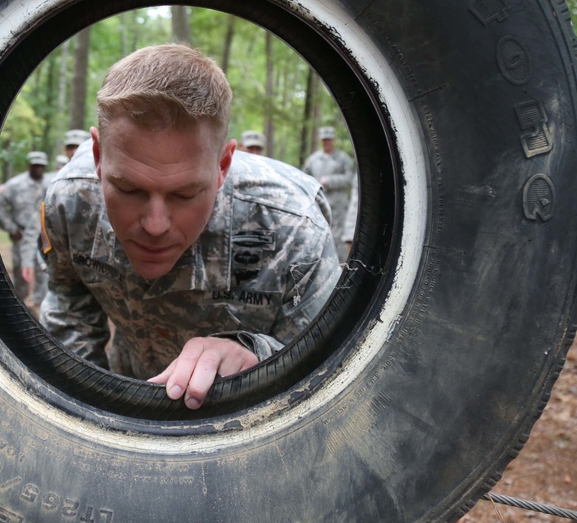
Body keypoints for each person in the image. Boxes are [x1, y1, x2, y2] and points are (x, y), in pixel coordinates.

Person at [40, 44, 340, 410]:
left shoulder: (293, 225)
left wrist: (257, 358)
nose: (154, 225)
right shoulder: (71, 204)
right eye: (129, 189)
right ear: (98, 156)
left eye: (185, 194)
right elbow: (69, 314)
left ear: (223, 165)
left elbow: (331, 369)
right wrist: (95, 412)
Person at [0, 151, 50, 312]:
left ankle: (39, 305)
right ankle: (20, 304)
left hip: (44, 237)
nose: (38, 168)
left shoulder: (49, 183)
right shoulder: (15, 185)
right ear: (29, 166)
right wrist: (11, 227)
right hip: (22, 235)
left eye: (41, 165)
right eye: (35, 165)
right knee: (21, 270)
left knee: (44, 271)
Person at [302, 126, 355, 259]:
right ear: (321, 141)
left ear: (333, 140)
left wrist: (330, 181)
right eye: (324, 140)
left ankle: (340, 266)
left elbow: (350, 179)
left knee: (338, 237)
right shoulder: (313, 159)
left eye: (329, 139)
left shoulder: (343, 158)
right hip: (318, 205)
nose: (326, 142)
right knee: (318, 234)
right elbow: (303, 177)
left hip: (338, 206)